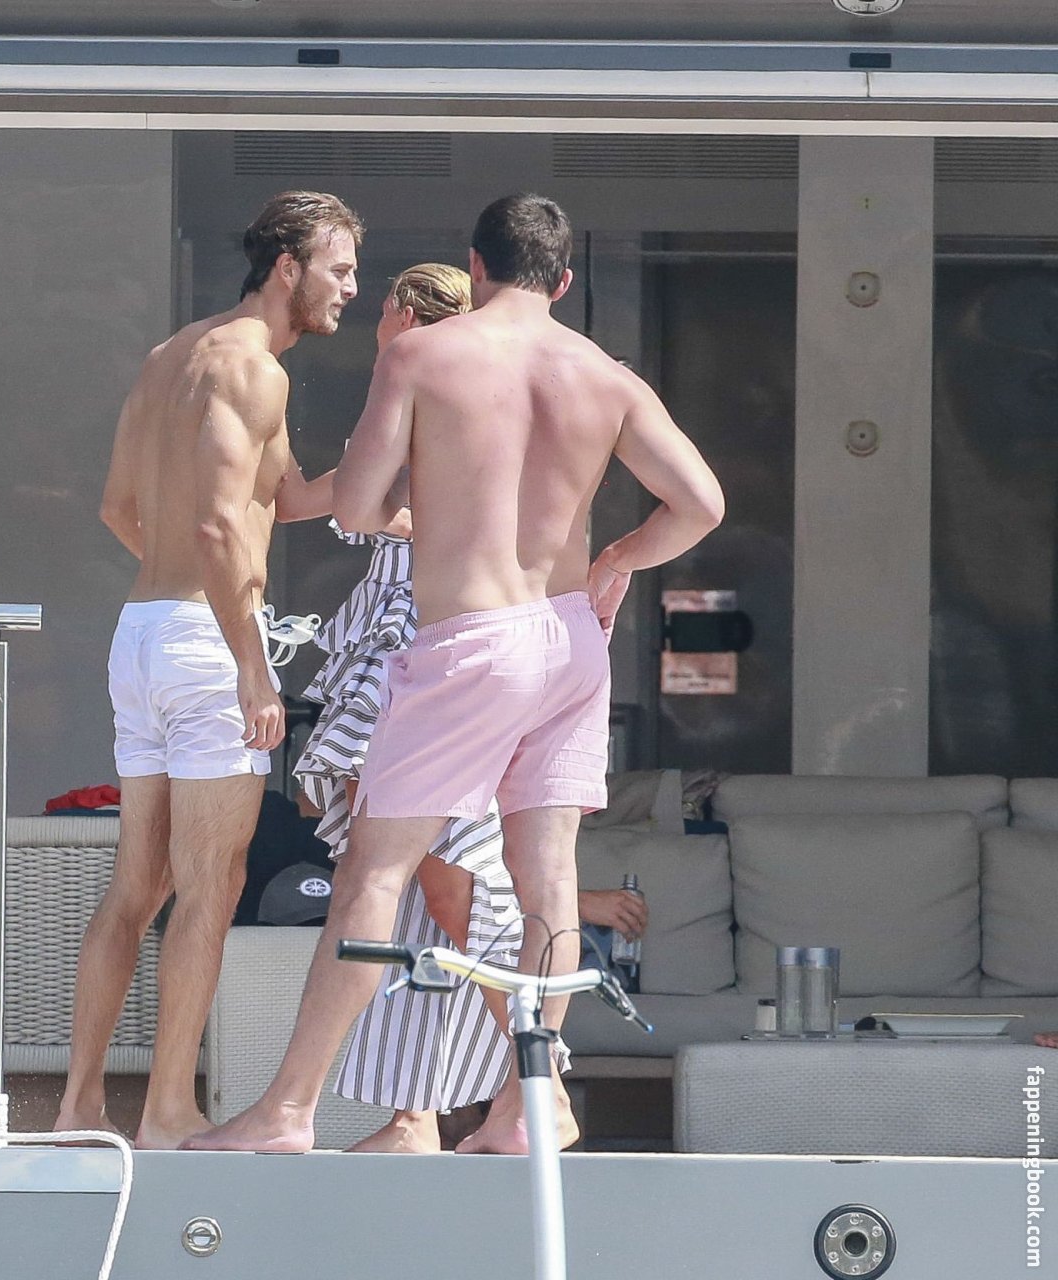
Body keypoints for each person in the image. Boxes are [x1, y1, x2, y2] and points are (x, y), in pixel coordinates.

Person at [188, 193, 723, 1154]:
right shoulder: (606, 376)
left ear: (476, 267)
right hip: (571, 641)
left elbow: (356, 508)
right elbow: (700, 504)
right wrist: (616, 560)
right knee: (546, 877)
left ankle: (288, 1110)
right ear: (563, 280)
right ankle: (528, 1105)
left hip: (472, 642)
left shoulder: (425, 356)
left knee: (373, 870)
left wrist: (433, 486)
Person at [297, 264, 648, 1153]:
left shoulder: (434, 388)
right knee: (425, 893)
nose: (375, 317)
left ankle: (541, 1085)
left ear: (411, 318)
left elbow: (375, 509)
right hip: (448, 648)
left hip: (441, 647)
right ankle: (415, 1114)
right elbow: (315, 499)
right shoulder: (442, 394)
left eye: (384, 304)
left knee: (446, 882)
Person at [53, 191, 364, 1148]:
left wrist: (377, 484)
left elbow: (139, 507)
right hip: (207, 642)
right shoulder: (256, 370)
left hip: (144, 630)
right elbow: (224, 525)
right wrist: (250, 664)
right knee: (210, 885)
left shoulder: (172, 357)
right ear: (288, 267)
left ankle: (77, 1107)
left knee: (136, 885)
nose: (351, 287)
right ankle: (167, 1111)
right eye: (340, 268)